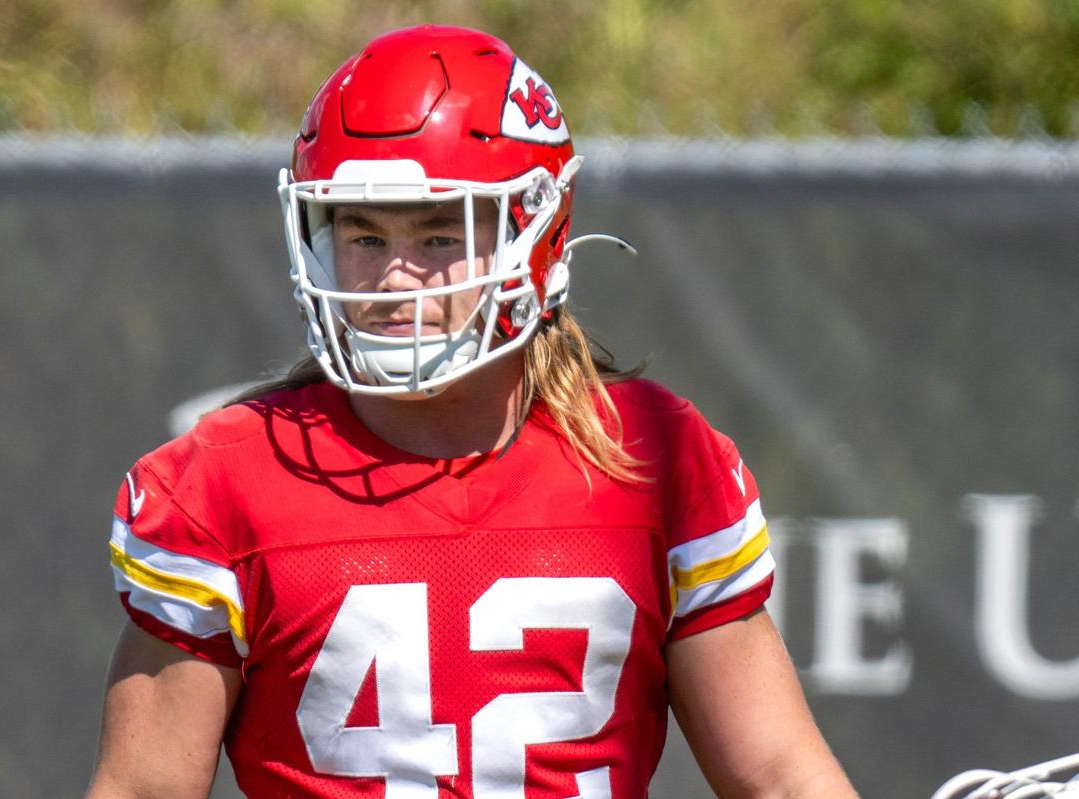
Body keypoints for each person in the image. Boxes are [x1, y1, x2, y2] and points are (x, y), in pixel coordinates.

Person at [87, 25, 858, 799]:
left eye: (436, 233)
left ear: (536, 234)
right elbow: (144, 789)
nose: (394, 276)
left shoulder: (651, 459)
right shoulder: (230, 481)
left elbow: (780, 778)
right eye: (362, 232)